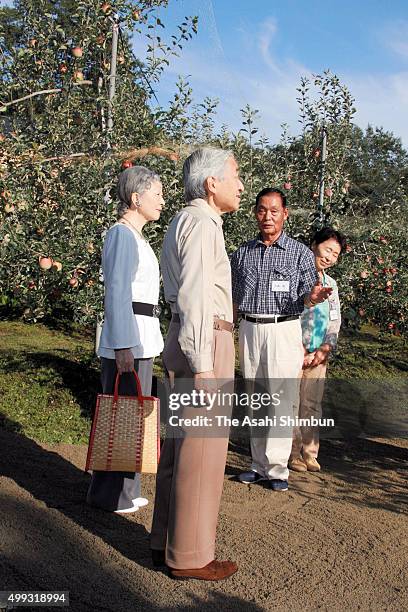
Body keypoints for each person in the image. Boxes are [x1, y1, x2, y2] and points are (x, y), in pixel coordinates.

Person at [150, 147, 244, 581]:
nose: (241, 184)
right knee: (201, 456)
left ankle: (164, 542)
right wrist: (204, 364)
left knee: (180, 448)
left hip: (186, 340)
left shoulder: (183, 219)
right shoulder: (203, 223)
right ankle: (189, 556)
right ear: (212, 184)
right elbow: (194, 296)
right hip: (204, 343)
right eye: (235, 175)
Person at [231, 188, 332, 492]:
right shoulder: (243, 253)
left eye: (274, 211)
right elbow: (234, 298)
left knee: (279, 400)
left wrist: (312, 298)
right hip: (250, 329)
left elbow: (308, 293)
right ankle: (258, 465)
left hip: (283, 329)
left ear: (285, 214)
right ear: (255, 213)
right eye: (262, 210)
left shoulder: (300, 253)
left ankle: (277, 469)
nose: (268, 217)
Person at [86, 166, 164, 514]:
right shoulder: (121, 235)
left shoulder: (137, 236)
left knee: (134, 414)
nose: (162, 201)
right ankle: (110, 495)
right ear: (136, 198)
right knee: (121, 415)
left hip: (141, 336)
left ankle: (127, 489)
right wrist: (122, 346)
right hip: (129, 338)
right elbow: (117, 292)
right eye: (157, 194)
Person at [289, 227, 346, 473]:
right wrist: (299, 348)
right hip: (294, 351)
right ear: (314, 244)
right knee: (291, 403)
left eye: (335, 253)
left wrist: (325, 349)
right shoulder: (296, 276)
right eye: (327, 249)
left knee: (312, 404)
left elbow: (335, 321)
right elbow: (288, 313)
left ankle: (309, 452)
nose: (330, 257)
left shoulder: (331, 285)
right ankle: (291, 453)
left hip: (318, 355)